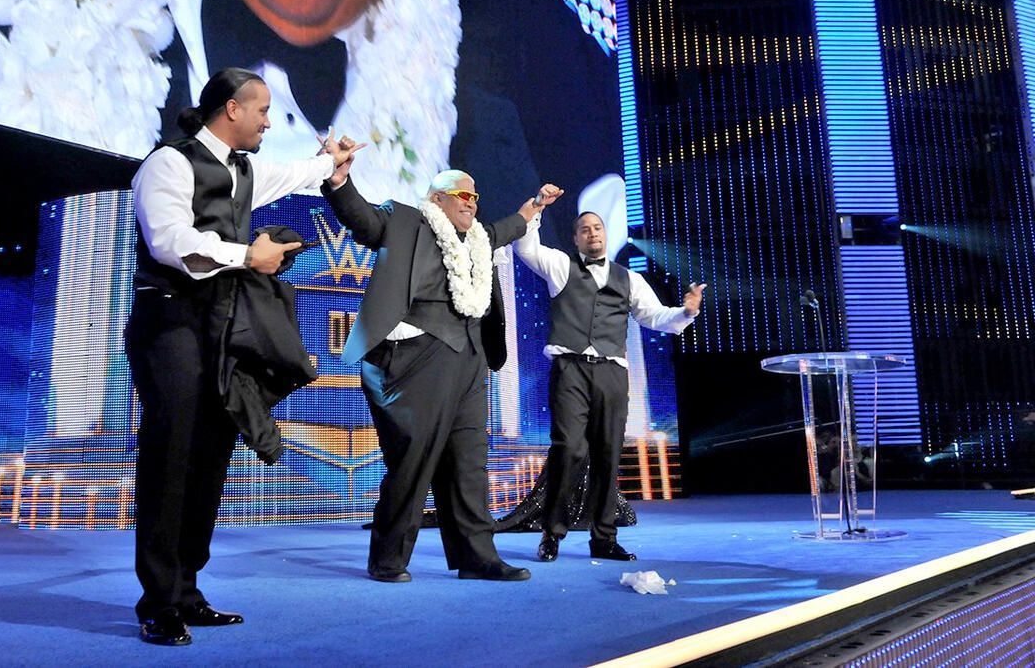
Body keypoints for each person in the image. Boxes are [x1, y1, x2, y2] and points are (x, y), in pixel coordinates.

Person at [125, 67, 360, 646]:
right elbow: (168, 240)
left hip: (224, 327)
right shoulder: (169, 163)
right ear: (231, 109)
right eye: (262, 111)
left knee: (209, 457)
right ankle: (157, 600)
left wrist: (330, 161)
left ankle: (186, 589)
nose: (267, 121)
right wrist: (245, 255)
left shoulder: (247, 170)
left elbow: (298, 173)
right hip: (171, 321)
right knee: (172, 455)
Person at [320, 151, 563, 583]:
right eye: (462, 194)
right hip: (415, 356)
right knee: (414, 459)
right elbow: (363, 220)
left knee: (469, 462)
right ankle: (388, 558)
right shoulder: (406, 220)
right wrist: (339, 182)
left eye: (475, 196)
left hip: (469, 359)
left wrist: (536, 206)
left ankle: (477, 556)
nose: (471, 202)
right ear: (437, 199)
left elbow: (513, 225)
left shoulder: (480, 237)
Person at [513, 211, 706, 562]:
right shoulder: (560, 265)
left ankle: (603, 538)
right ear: (575, 238)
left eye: (597, 228)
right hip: (570, 368)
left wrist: (686, 312)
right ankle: (552, 532)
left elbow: (655, 316)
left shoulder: (628, 278)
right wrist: (538, 211)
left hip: (612, 373)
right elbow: (526, 248)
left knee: (607, 454)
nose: (592, 234)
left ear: (605, 233)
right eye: (584, 230)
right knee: (569, 448)